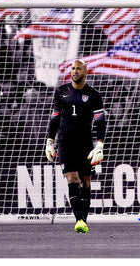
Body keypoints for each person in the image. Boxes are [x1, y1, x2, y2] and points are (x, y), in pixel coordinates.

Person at [45, 59, 106, 233]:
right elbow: (55, 118)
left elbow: (100, 122)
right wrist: (50, 142)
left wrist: (99, 145)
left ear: (85, 72)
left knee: (85, 183)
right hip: (65, 142)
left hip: (85, 142)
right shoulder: (61, 92)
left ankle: (83, 221)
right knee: (71, 179)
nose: (74, 71)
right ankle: (79, 220)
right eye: (72, 68)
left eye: (78, 68)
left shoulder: (94, 95)